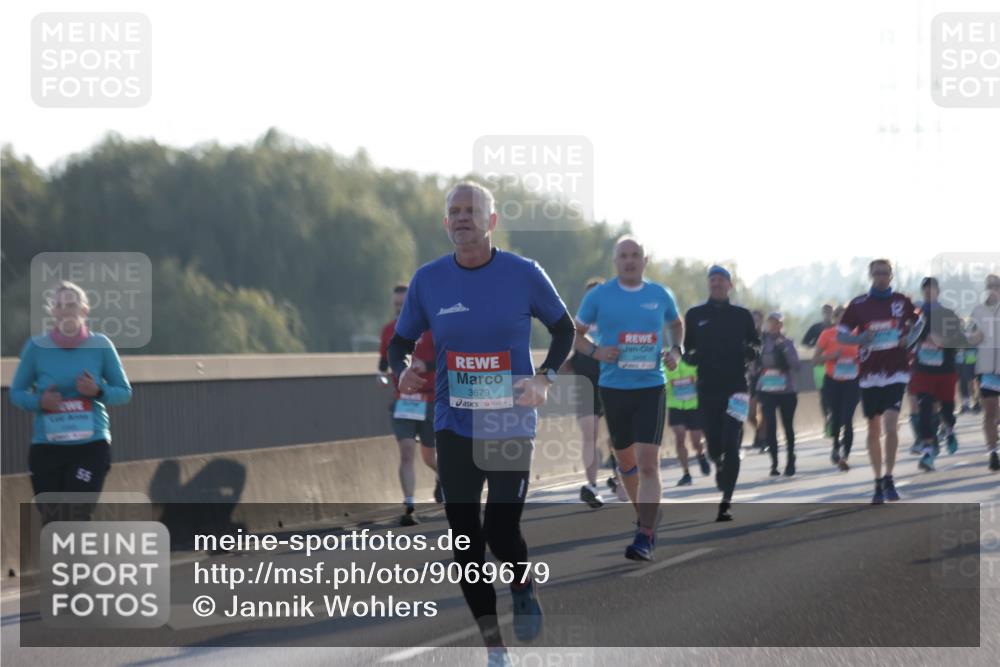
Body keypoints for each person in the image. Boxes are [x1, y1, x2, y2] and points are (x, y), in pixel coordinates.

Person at [387, 181, 575, 665]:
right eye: (454, 211)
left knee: (501, 528)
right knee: (466, 539)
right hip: (454, 422)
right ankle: (495, 647)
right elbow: (399, 341)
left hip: (509, 422)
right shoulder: (429, 281)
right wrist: (403, 368)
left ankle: (521, 581)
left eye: (472, 210)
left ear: (491, 222)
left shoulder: (523, 274)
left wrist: (545, 378)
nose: (462, 217)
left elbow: (564, 328)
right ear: (445, 222)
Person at [575, 235, 683, 561]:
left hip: (651, 386)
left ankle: (645, 535)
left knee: (648, 463)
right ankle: (645, 515)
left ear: (644, 261)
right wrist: (597, 351)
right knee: (627, 465)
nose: (630, 260)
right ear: (615, 261)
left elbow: (677, 324)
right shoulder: (599, 296)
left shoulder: (660, 294)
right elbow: (575, 336)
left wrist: (676, 350)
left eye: (636, 255)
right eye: (623, 255)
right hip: (614, 388)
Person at [9, 281, 133, 518]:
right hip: (47, 447)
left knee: (76, 513)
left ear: (84, 310)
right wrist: (39, 402)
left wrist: (97, 392)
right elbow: (16, 392)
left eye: (72, 304)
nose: (66, 309)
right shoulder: (36, 348)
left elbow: (124, 392)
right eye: (60, 305)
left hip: (90, 446)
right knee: (52, 517)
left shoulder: (101, 345)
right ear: (53, 312)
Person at [683, 265, 760, 522]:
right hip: (707, 387)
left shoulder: (742, 315)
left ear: (730, 285)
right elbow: (688, 348)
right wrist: (689, 357)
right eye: (712, 280)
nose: (716, 284)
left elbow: (755, 343)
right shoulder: (695, 315)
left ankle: (726, 502)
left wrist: (751, 351)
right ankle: (718, 463)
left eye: (720, 280)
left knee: (731, 439)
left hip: (737, 386)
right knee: (715, 444)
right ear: (708, 284)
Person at [838, 259, 918, 504]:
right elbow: (841, 334)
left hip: (896, 371)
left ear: (891, 276)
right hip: (870, 374)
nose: (881, 276)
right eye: (876, 273)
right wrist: (860, 338)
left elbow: (920, 326)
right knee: (873, 429)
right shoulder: (859, 304)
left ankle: (890, 477)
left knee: (891, 426)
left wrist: (909, 340)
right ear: (871, 275)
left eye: (885, 273)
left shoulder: (902, 301)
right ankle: (876, 481)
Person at [378, 283, 439, 525]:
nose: (399, 310)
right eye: (395, 306)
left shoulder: (433, 329)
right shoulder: (389, 331)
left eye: (403, 306)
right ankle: (409, 506)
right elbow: (385, 360)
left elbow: (448, 358)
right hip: (404, 401)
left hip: (431, 400)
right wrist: (381, 373)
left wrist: (428, 366)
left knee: (429, 457)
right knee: (406, 452)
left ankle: (443, 481)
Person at [558, 278, 611, 508]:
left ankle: (621, 475)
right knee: (589, 433)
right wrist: (559, 368)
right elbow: (575, 350)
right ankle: (592, 486)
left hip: (613, 382)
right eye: (589, 296)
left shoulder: (615, 321)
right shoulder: (579, 325)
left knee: (618, 437)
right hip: (585, 384)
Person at [909, 277, 970, 472]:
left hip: (945, 370)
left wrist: (942, 341)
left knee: (946, 409)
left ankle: (950, 429)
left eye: (932, 289)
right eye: (925, 290)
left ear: (938, 292)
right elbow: (908, 339)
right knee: (925, 407)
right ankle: (928, 451)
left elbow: (961, 342)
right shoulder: (916, 315)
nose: (928, 293)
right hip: (923, 370)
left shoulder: (948, 315)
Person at [813, 305, 860, 470]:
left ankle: (845, 455)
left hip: (852, 381)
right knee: (836, 416)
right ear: (835, 318)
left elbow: (867, 354)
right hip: (832, 381)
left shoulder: (857, 334)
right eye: (840, 316)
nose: (843, 320)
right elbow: (815, 359)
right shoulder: (827, 334)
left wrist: (859, 359)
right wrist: (832, 356)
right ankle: (835, 446)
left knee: (848, 419)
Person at [757, 312, 801, 476]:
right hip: (767, 390)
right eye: (771, 322)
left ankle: (790, 459)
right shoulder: (762, 343)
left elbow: (796, 366)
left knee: (788, 426)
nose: (774, 326)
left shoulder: (788, 343)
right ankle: (774, 463)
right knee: (770, 426)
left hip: (786, 391)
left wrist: (784, 350)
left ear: (782, 325)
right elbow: (755, 363)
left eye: (777, 323)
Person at [967, 274, 1000, 472]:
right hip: (987, 368)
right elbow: (968, 336)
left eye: (996, 285)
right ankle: (993, 454)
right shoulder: (978, 311)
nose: (993, 288)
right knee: (989, 410)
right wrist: (974, 337)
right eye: (990, 286)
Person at [665, 354, 711, 485]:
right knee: (680, 437)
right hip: (675, 407)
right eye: (669, 354)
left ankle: (701, 455)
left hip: (693, 407)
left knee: (696, 442)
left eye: (674, 353)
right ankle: (686, 473)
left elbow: (703, 380)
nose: (672, 358)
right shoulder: (665, 368)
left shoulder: (692, 365)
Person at [803, 304, 835, 436]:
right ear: (822, 312)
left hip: (834, 364)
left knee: (834, 393)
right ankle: (827, 418)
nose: (827, 313)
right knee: (823, 394)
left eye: (829, 311)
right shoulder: (816, 328)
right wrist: (817, 346)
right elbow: (805, 342)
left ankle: (834, 418)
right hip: (820, 366)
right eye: (825, 311)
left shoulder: (837, 327)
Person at [747, 309, 767, 452]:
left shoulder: (767, 337)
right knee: (751, 414)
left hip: (767, 378)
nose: (755, 322)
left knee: (765, 410)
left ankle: (762, 438)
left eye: (757, 319)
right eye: (752, 319)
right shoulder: (746, 336)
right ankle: (761, 433)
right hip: (751, 379)